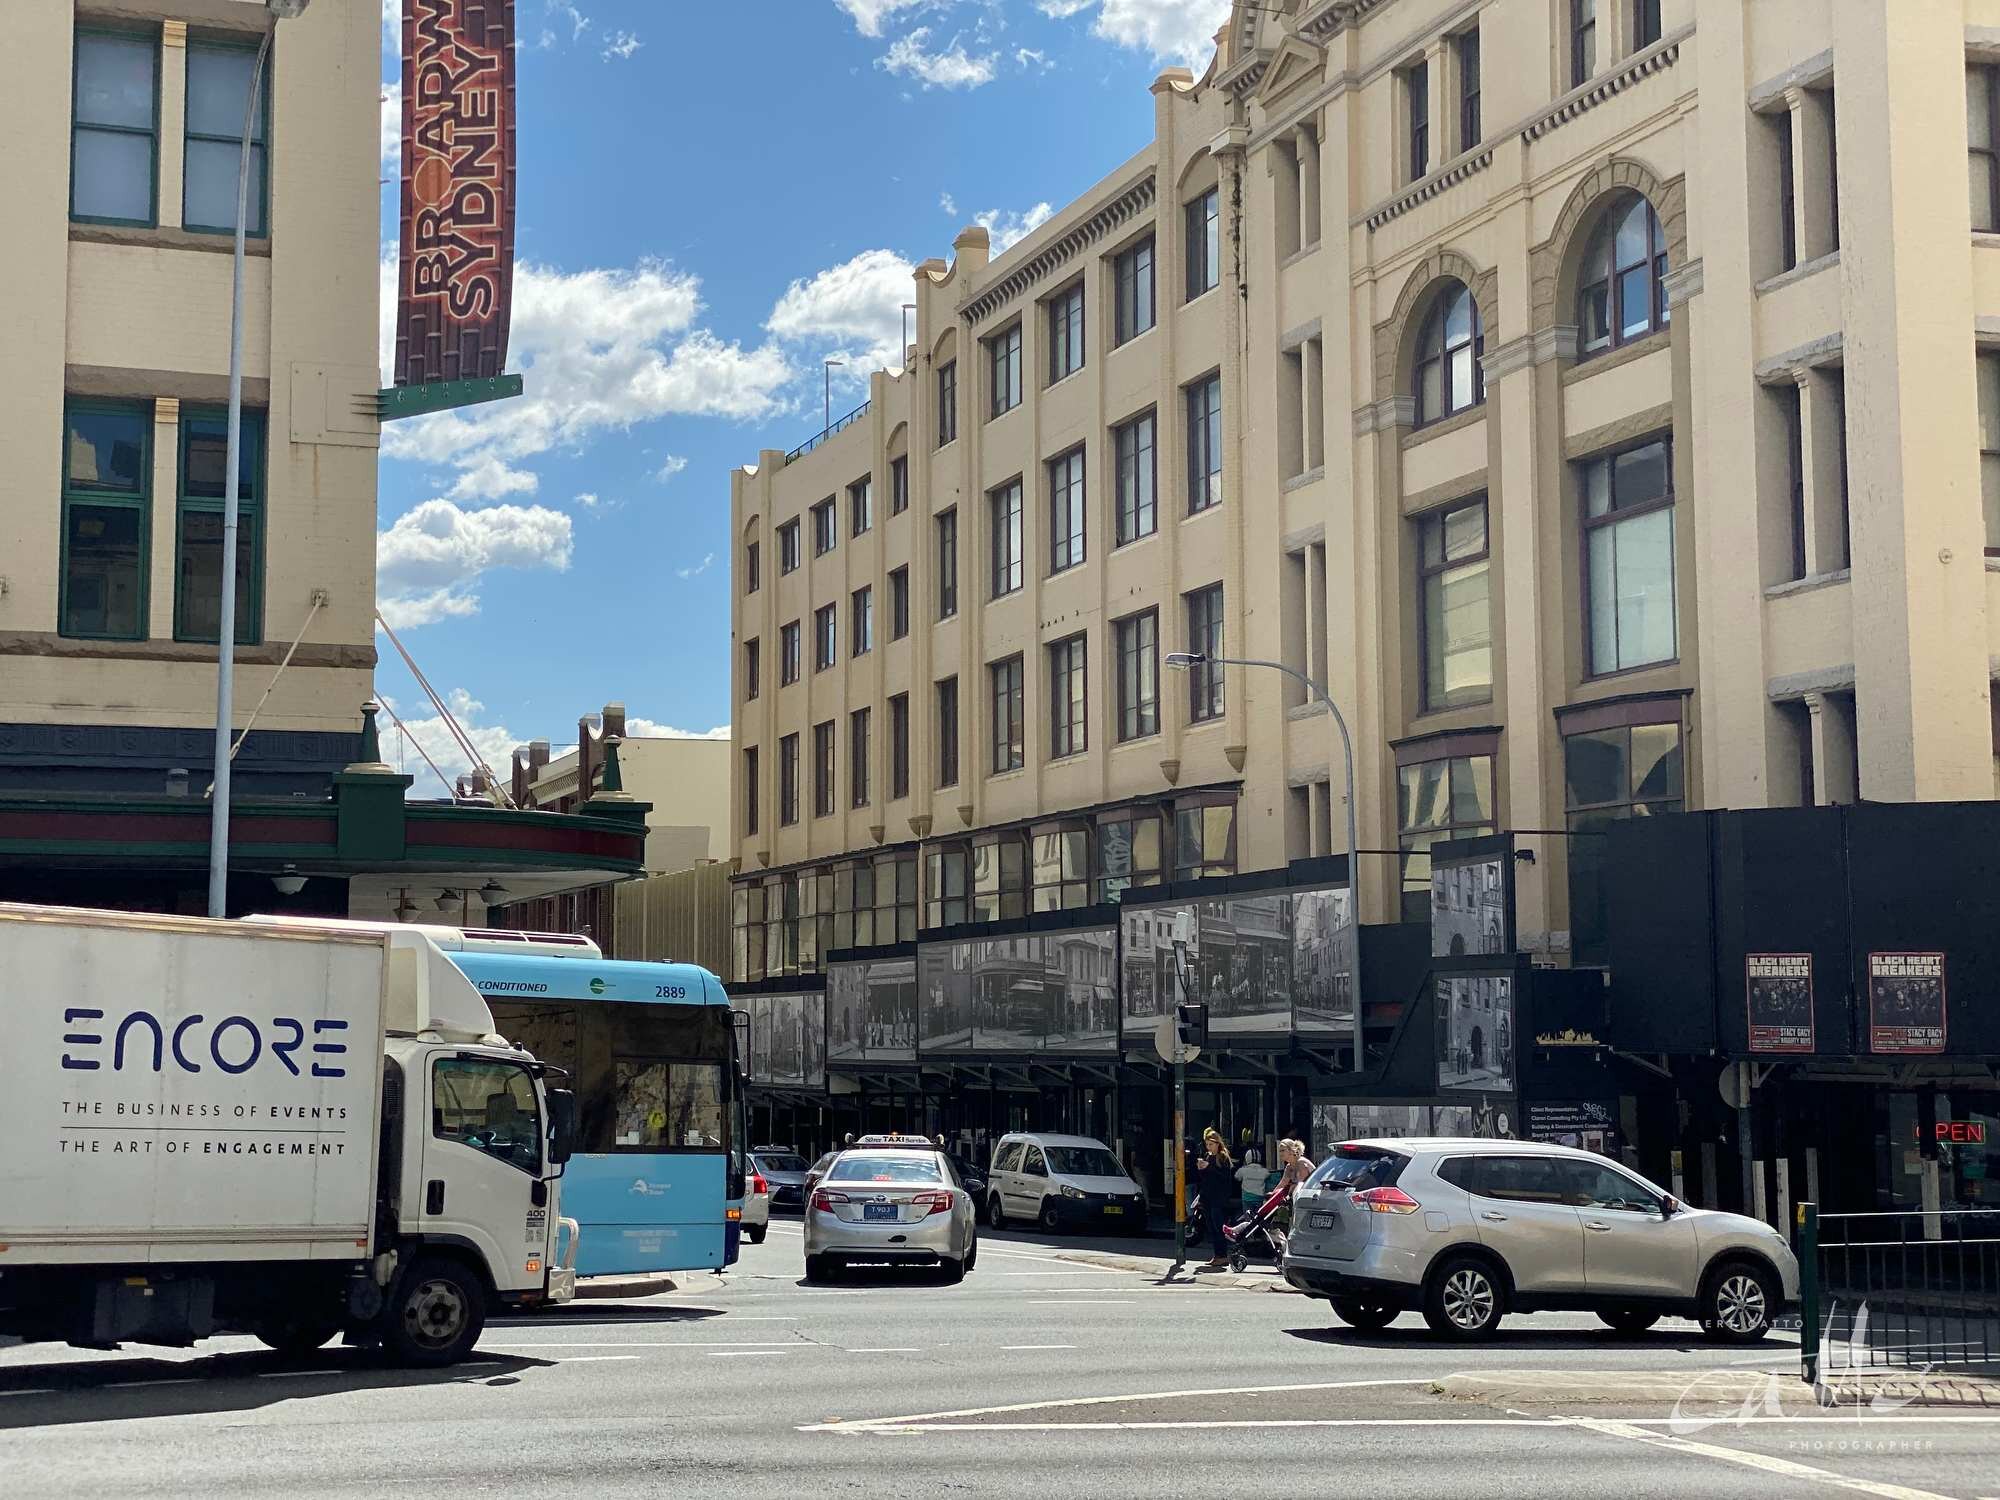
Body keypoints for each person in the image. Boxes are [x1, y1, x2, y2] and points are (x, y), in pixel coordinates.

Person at [1193, 1128, 1235, 1268]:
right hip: (1208, 1197)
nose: (1209, 1147)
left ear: (1217, 1143)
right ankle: (1217, 1255)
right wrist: (1201, 1169)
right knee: (1211, 1227)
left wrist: (1209, 1167)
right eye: (1207, 1144)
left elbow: (1224, 1178)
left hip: (1219, 1198)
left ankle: (1222, 1255)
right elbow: (1205, 1179)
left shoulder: (1222, 1157)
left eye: (1211, 1144)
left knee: (1218, 1227)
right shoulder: (1208, 1156)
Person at [1235, 1147, 1269, 1212]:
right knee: (1258, 1218)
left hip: (1247, 1199)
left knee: (1248, 1218)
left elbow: (1237, 1177)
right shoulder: (1264, 1171)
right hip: (1259, 1199)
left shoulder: (1242, 1170)